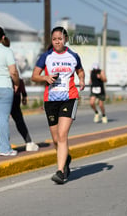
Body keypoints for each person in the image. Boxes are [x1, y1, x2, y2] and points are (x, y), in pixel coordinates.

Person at [31, 26, 85, 184]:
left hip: (69, 98)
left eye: (60, 39)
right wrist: (45, 78)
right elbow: (34, 76)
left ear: (66, 39)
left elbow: (80, 71)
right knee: (56, 139)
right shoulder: (46, 56)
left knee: (62, 135)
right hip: (51, 100)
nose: (57, 42)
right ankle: (65, 158)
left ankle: (60, 172)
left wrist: (81, 80)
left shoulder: (73, 56)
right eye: (54, 39)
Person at [2, 35, 39, 151]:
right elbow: (17, 75)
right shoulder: (9, 55)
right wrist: (23, 93)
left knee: (0, 119)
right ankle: (28, 142)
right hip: (12, 91)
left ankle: (3, 146)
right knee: (18, 118)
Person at [0, 25, 20, 156]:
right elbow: (13, 72)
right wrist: (16, 84)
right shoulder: (7, 51)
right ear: (3, 37)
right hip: (5, 87)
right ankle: (5, 149)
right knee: (2, 119)